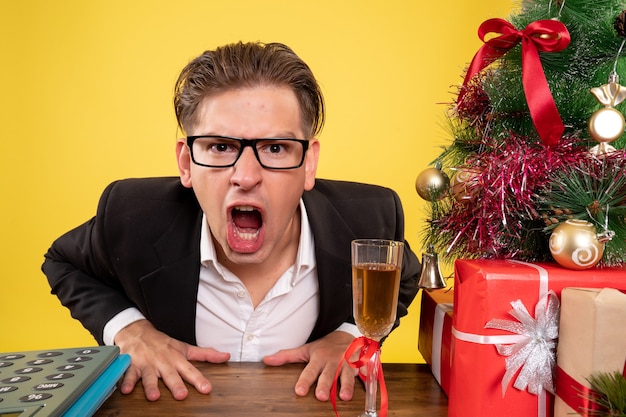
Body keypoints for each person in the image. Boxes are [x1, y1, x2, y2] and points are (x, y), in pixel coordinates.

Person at [42, 41, 420, 403]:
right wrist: (130, 331)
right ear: (186, 164)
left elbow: (404, 274)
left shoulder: (369, 219)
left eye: (275, 148)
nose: (246, 176)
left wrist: (351, 336)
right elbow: (63, 261)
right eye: (220, 147)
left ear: (309, 164)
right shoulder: (131, 216)